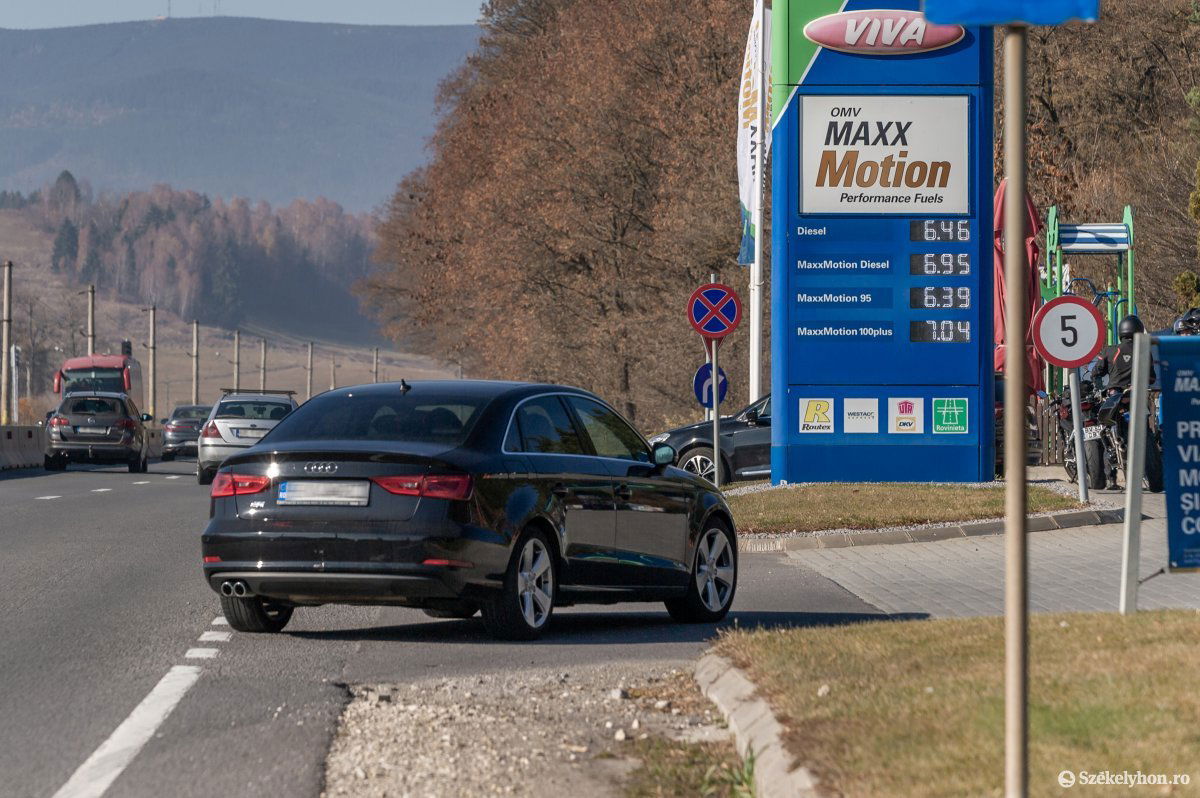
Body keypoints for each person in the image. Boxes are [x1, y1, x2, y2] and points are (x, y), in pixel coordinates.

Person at [1091, 315, 1156, 488]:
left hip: (1116, 396)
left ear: (1121, 331)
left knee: (1107, 434)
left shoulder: (1110, 351)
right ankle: (1151, 470)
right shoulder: (1144, 351)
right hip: (1137, 395)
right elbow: (1151, 378)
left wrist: (1100, 386)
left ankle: (1111, 478)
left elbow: (1096, 373)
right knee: (1147, 430)